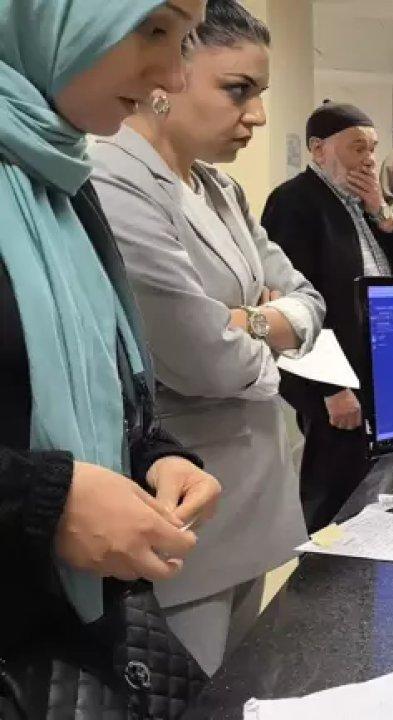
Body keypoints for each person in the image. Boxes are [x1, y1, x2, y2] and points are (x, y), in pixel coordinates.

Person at [89, 0, 324, 674]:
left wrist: (245, 321)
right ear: (172, 73)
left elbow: (308, 300)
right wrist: (264, 330)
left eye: (259, 93)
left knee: (247, 687)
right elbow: (205, 362)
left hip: (255, 497)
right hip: (184, 509)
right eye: (237, 90)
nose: (257, 115)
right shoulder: (114, 181)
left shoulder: (221, 190)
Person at [0, 0, 217, 661]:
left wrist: (155, 456)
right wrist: (47, 500)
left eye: (183, 41)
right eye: (152, 28)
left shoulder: (61, 177)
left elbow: (97, 374)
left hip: (70, 639)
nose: (173, 77)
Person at [261, 102, 393, 531]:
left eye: (373, 149)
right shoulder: (296, 202)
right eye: (356, 148)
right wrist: (332, 387)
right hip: (331, 372)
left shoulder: (360, 202)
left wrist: (381, 211)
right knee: (334, 483)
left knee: (369, 479)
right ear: (318, 149)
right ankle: (325, 566)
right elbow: (297, 301)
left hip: (371, 365)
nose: (368, 159)